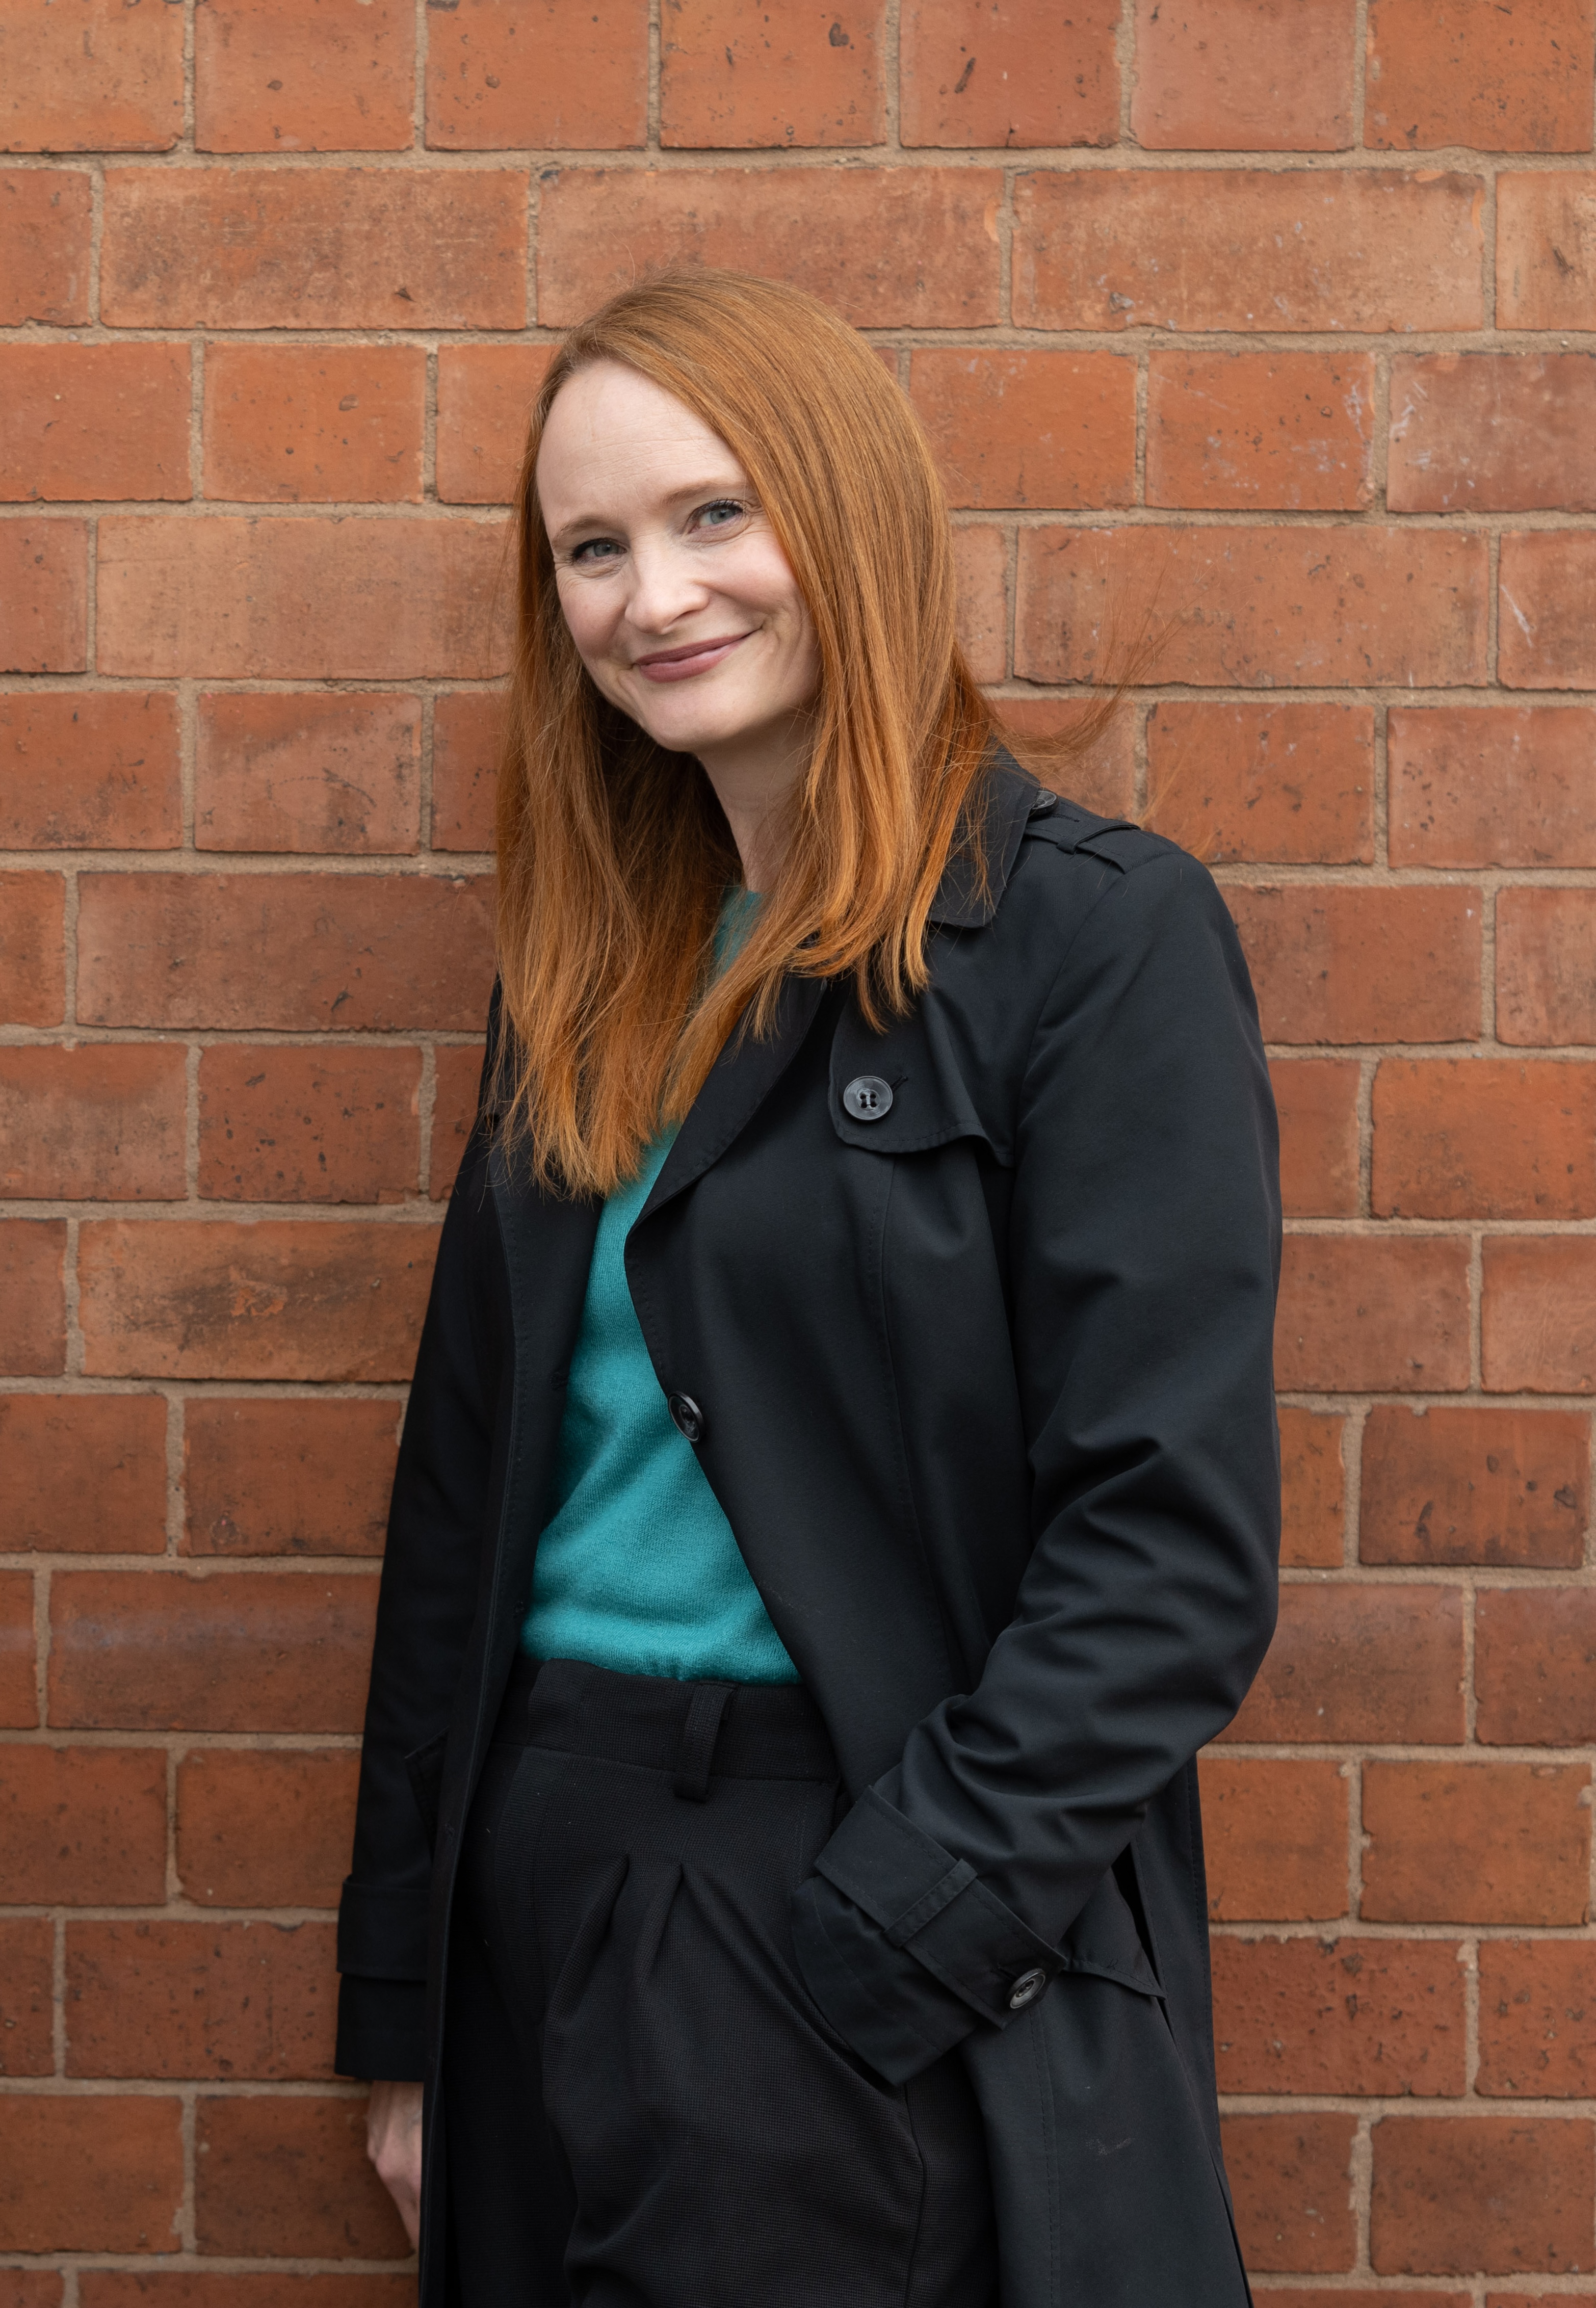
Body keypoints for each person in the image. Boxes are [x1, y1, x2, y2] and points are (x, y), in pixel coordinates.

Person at [335, 267, 1281, 2308]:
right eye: (591, 548)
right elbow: (461, 1501)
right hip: (541, 1876)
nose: (652, 595)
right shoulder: (587, 974)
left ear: (846, 513)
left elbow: (1167, 1550)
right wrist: (407, 2001)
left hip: (821, 1885)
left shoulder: (1085, 943)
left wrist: (884, 1941)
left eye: (713, 514)